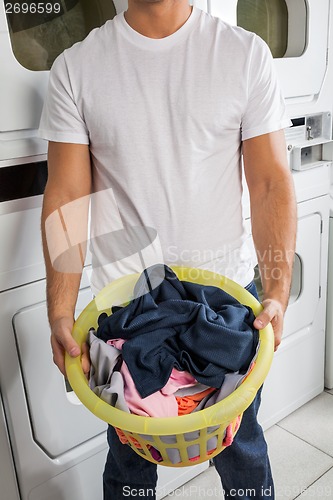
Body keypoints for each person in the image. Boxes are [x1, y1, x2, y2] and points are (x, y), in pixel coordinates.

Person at [39, 1, 297, 498]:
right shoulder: (76, 67)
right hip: (126, 311)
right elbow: (67, 196)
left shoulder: (244, 55)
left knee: (241, 448)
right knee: (130, 462)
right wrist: (59, 311)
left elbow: (269, 182)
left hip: (224, 305)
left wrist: (278, 290)